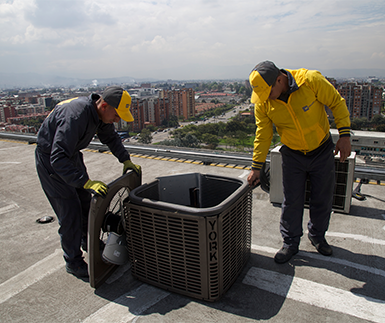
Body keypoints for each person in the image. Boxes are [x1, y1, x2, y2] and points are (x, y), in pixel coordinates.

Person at [247, 61, 351, 264]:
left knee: (322, 198)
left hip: (321, 151)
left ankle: (317, 237)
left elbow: (337, 102)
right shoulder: (264, 102)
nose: (266, 98)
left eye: (268, 92)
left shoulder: (310, 81)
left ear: (280, 79)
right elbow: (263, 134)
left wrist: (344, 135)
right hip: (292, 155)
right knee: (291, 201)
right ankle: (290, 243)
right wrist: (256, 167)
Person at [35, 86, 141, 278]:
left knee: (85, 204)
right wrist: (85, 181)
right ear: (104, 105)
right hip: (52, 162)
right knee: (70, 213)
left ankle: (87, 241)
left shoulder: (99, 114)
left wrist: (125, 160)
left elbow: (110, 137)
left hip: (71, 156)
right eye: (117, 115)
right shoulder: (76, 116)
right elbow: (57, 158)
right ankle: (73, 261)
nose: (117, 120)